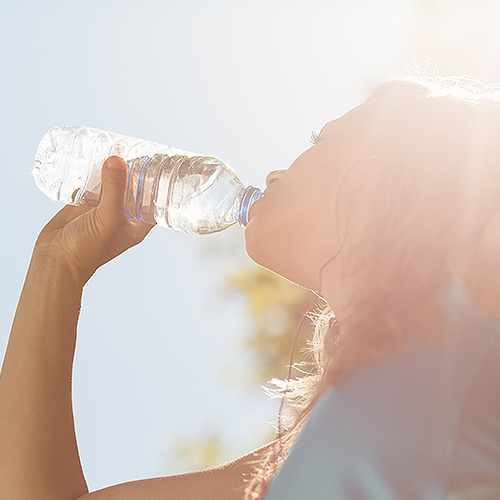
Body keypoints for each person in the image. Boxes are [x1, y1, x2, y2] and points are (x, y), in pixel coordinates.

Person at [2, 74, 500, 500]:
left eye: (317, 140)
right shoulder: (297, 459)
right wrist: (55, 268)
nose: (275, 172)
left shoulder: (480, 292)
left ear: (392, 167)